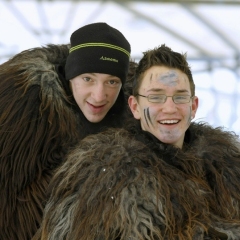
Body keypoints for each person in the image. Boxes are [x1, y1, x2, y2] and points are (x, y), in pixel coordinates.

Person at [33, 44, 240, 240]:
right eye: (156, 97)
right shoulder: (102, 176)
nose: (169, 108)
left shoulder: (229, 170)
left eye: (179, 97)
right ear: (135, 107)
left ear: (193, 106)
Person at [0, 22, 134, 240]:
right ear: (70, 74)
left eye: (111, 81)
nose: (99, 96)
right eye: (87, 79)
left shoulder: (135, 118)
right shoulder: (23, 115)